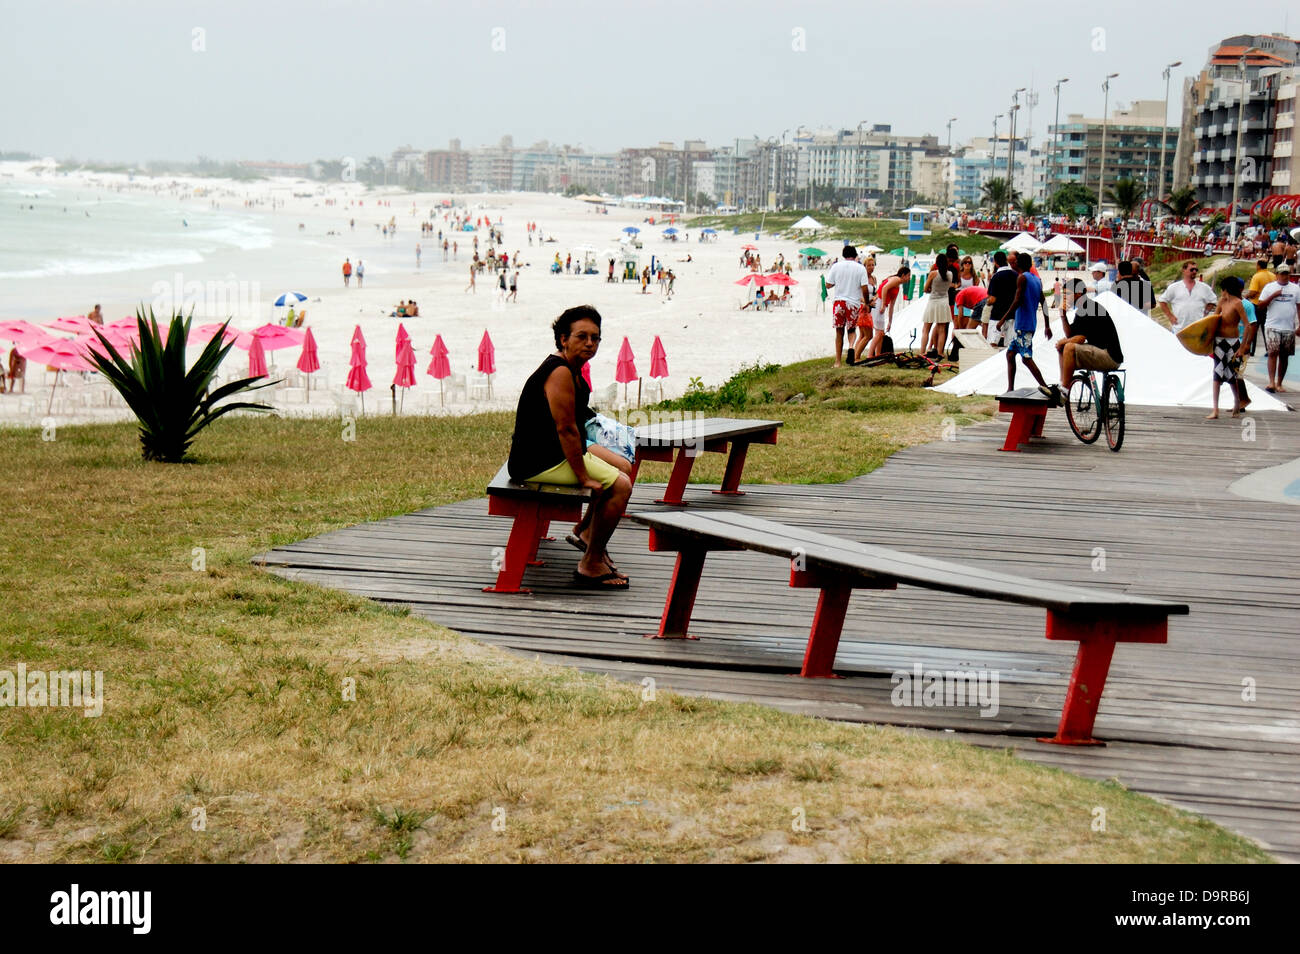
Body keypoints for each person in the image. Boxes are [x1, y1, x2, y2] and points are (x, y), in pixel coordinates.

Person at [507, 306, 633, 588]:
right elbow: (566, 428)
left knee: (621, 468)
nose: (590, 343)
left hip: (551, 453)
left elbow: (576, 421)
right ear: (563, 338)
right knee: (621, 485)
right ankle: (591, 563)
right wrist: (584, 477)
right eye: (582, 336)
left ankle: (588, 535)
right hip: (538, 460)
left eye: (595, 338)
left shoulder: (572, 369)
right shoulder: (560, 372)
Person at [1055, 277, 1124, 394]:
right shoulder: (1083, 308)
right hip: (1103, 352)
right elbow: (1070, 334)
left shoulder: (1089, 308)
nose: (1064, 298)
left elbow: (1079, 339)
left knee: (1068, 347)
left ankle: (1064, 390)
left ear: (1078, 294)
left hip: (1109, 356)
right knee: (1064, 346)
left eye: (1067, 294)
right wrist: (1063, 316)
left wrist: (1063, 342)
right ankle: (1062, 383)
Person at [999, 251, 1053, 395]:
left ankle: (1046, 387)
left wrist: (1002, 319)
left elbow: (1017, 301)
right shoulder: (1036, 279)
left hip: (1023, 325)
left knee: (1026, 359)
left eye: (1014, 263)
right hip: (1029, 324)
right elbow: (1044, 302)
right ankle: (1010, 389)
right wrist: (1047, 325)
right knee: (1010, 354)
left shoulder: (1022, 278)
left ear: (1018, 264)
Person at [1204, 276, 1250, 418]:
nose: (1221, 293)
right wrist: (1207, 341)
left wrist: (1242, 347)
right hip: (1219, 341)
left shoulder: (1238, 303)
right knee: (1217, 373)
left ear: (1226, 290)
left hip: (1232, 342)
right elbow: (1213, 320)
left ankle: (1237, 402)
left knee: (1232, 375)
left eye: (1222, 290)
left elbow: (1247, 325)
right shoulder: (1222, 302)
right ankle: (1215, 409)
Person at [825, 244, 869, 367]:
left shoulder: (836, 266)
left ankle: (838, 362)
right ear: (855, 255)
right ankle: (850, 346)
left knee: (839, 332)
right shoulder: (860, 268)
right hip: (853, 303)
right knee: (851, 330)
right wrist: (866, 302)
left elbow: (828, 285)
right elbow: (865, 288)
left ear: (844, 255)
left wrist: (837, 283)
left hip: (839, 302)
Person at [1258, 263, 1300, 392]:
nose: (1284, 276)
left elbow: (1299, 307)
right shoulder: (1269, 287)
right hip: (1272, 325)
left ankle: (1279, 382)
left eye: (1286, 273)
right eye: (1282, 274)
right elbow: (1260, 306)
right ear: (1276, 275)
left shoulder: (1296, 288)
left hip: (1288, 326)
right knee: (1272, 352)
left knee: (1284, 356)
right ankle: (1271, 382)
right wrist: (1273, 296)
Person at [856, 266, 909, 361]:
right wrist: (883, 304)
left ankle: (878, 354)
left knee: (880, 333)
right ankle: (870, 355)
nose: (909, 278)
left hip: (881, 303)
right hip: (879, 302)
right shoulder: (897, 279)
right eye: (908, 275)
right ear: (903, 275)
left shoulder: (897, 285)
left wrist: (890, 322)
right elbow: (884, 288)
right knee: (879, 333)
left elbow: (892, 305)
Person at [1157, 261, 1216, 332]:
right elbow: (1162, 301)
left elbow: (1213, 300)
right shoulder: (1174, 287)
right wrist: (1170, 316)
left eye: (1196, 270)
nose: (1194, 272)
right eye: (1192, 269)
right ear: (1183, 270)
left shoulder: (1203, 287)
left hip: (1198, 328)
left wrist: (1206, 312)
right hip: (1179, 329)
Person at [922, 251, 957, 358]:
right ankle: (940, 352)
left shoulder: (933, 274)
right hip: (944, 302)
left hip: (933, 301)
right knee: (942, 329)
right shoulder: (950, 274)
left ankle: (923, 351)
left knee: (926, 329)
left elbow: (925, 289)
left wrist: (931, 289)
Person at [984, 250, 1017, 346]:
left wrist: (987, 302)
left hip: (997, 315)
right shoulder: (1015, 275)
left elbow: (992, 299)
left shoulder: (996, 277)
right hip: (1012, 314)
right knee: (1010, 345)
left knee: (993, 343)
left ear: (995, 262)